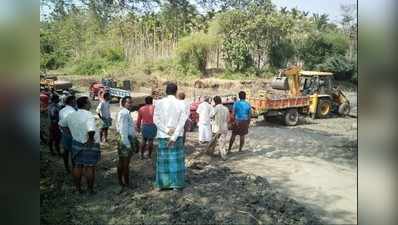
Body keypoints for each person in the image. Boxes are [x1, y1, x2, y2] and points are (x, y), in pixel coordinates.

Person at [153, 83, 188, 191]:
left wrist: (167, 131)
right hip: (176, 137)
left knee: (163, 161)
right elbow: (182, 122)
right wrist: (174, 136)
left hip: (163, 135)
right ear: (176, 91)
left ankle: (162, 184)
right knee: (175, 161)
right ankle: (176, 185)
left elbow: (156, 120)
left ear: (166, 91)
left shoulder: (158, 103)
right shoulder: (182, 104)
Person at [64, 97, 101, 194]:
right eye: (89, 103)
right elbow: (91, 129)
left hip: (76, 143)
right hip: (89, 143)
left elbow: (62, 125)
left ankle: (78, 189)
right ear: (85, 104)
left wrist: (70, 133)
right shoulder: (88, 114)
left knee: (78, 165)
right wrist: (90, 140)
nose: (90, 104)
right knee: (89, 167)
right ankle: (90, 190)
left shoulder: (71, 115)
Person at [116, 96, 136, 193]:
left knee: (121, 162)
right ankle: (126, 183)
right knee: (125, 163)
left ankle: (121, 181)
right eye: (129, 102)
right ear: (124, 103)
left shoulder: (124, 112)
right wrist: (127, 144)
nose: (131, 104)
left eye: (131, 102)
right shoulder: (124, 113)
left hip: (124, 139)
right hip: (125, 140)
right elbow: (123, 130)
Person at [207, 96, 230, 160]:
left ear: (215, 102)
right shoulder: (226, 108)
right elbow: (228, 119)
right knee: (222, 142)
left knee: (214, 142)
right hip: (224, 127)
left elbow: (210, 116)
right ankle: (222, 155)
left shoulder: (215, 108)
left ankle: (212, 154)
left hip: (217, 128)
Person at [58, 95, 77, 173]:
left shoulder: (62, 110)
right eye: (74, 100)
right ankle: (74, 168)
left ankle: (66, 167)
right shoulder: (73, 111)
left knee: (66, 151)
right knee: (73, 152)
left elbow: (60, 122)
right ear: (71, 101)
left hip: (64, 133)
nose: (75, 102)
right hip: (71, 134)